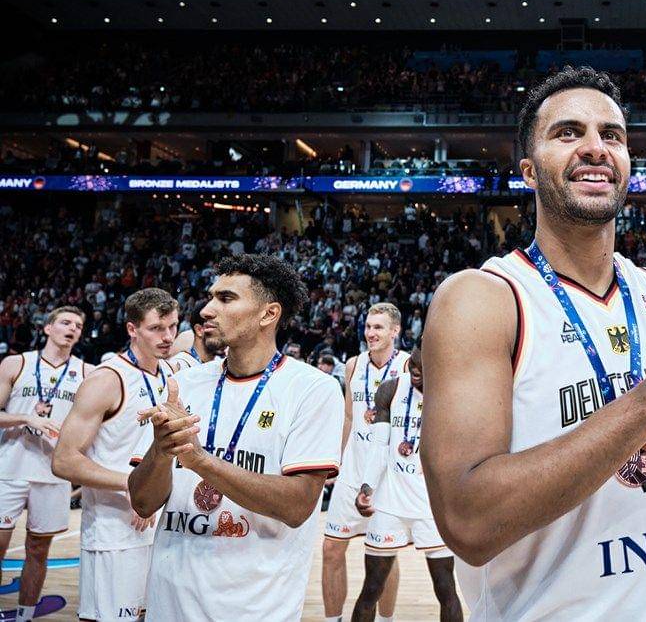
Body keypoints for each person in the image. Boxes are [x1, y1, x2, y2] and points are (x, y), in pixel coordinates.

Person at [421, 66, 646, 620]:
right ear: (529, 171)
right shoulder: (484, 300)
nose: (595, 148)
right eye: (568, 133)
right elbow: (468, 522)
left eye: (612, 135)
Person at [128, 254, 343, 620]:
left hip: (254, 610)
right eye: (211, 297)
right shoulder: (185, 384)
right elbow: (143, 503)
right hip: (169, 607)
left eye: (226, 299)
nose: (206, 310)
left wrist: (200, 461)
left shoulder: (312, 389)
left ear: (268, 314)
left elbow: (297, 506)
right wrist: (161, 451)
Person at [51, 289, 178, 621]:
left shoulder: (170, 374)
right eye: (156, 328)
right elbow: (64, 460)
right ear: (132, 329)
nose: (167, 337)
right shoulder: (107, 379)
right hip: (114, 531)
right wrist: (134, 485)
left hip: (161, 525)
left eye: (172, 327)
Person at [351, 348, 462, 621]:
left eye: (422, 366)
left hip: (430, 506)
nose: (415, 369)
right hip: (390, 502)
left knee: (446, 589)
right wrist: (367, 487)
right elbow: (379, 445)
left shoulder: (451, 393)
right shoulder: (390, 389)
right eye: (413, 362)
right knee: (371, 588)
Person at [0, 306, 91, 622]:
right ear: (48, 328)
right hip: (9, 467)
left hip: (53, 472)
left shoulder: (87, 373)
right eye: (65, 322)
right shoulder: (17, 363)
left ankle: (24, 616)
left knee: (38, 551)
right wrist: (27, 418)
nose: (72, 328)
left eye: (78, 325)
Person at [323, 303, 408, 622]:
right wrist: (336, 460)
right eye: (368, 326)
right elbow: (349, 416)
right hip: (352, 471)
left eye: (378, 327)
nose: (371, 333)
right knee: (331, 549)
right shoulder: (353, 365)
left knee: (382, 557)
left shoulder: (408, 366)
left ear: (395, 331)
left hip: (386, 477)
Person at [168, 300, 223, 371]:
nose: (224, 335)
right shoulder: (180, 366)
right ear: (199, 330)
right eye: (216, 328)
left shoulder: (220, 364)